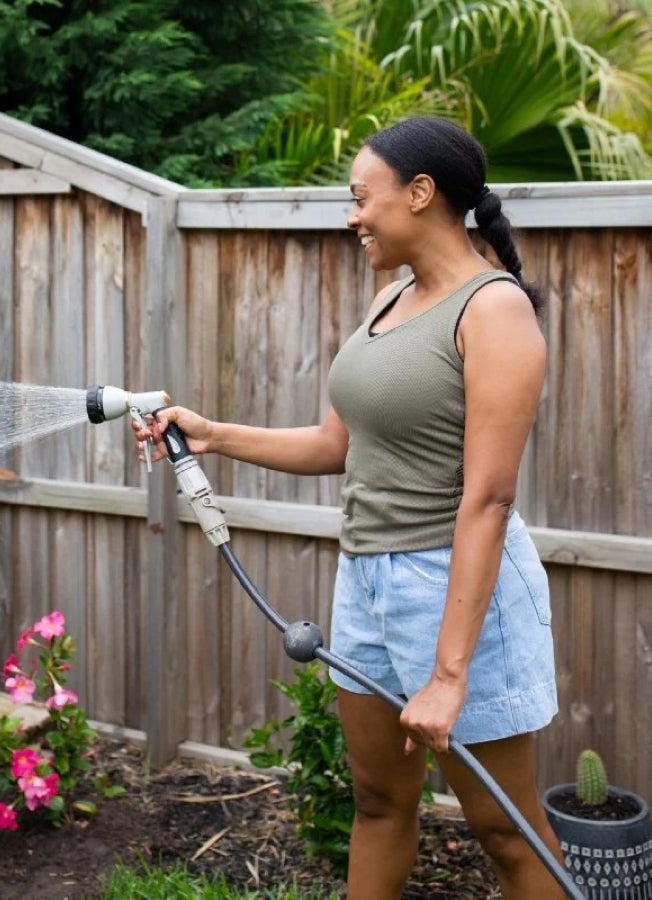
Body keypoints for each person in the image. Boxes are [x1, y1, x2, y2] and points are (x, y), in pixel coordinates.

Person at [136, 116, 564, 899]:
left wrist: (447, 673)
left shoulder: (493, 311)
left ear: (421, 193)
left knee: (504, 829)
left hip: (459, 588)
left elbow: (489, 498)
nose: (352, 214)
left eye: (363, 196)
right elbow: (339, 444)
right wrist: (211, 434)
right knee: (377, 803)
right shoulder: (392, 296)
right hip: (367, 579)